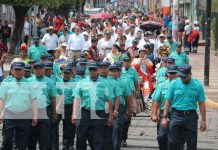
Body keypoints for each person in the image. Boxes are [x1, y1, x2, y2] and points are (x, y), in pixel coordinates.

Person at [162, 64, 207, 150]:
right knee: (172, 142)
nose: (182, 78)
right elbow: (168, 101)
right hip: (176, 115)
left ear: (190, 74)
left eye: (184, 76)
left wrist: (203, 121)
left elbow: (201, 103)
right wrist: (164, 117)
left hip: (191, 116)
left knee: (192, 144)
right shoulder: (174, 84)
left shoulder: (197, 85)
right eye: (181, 76)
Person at [72, 61, 114, 150]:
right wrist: (74, 114)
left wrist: (110, 116)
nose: (92, 71)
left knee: (98, 140)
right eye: (90, 69)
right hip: (85, 114)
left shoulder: (105, 83)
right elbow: (77, 99)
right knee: (80, 138)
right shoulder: (81, 82)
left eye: (94, 69)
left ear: (98, 70)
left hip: (99, 114)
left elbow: (109, 100)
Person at [0, 62, 38, 150]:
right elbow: (2, 100)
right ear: (12, 71)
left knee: (23, 141)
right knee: (7, 139)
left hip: (24, 115)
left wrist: (35, 115)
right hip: (9, 115)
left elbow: (34, 101)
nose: (18, 72)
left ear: (24, 71)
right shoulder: (7, 83)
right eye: (16, 70)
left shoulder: (29, 84)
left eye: (20, 70)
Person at [28, 62, 57, 150]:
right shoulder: (29, 81)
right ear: (33, 70)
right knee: (31, 137)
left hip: (45, 110)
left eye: (40, 68)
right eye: (36, 68)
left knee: (44, 137)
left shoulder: (50, 82)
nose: (38, 70)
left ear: (44, 70)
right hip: (31, 112)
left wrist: (54, 113)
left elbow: (53, 98)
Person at [152, 65, 178, 150]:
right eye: (171, 73)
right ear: (167, 73)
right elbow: (156, 101)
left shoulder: (181, 85)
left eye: (174, 73)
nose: (172, 75)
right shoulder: (161, 85)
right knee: (161, 136)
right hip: (164, 113)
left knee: (174, 139)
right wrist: (154, 114)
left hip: (177, 114)